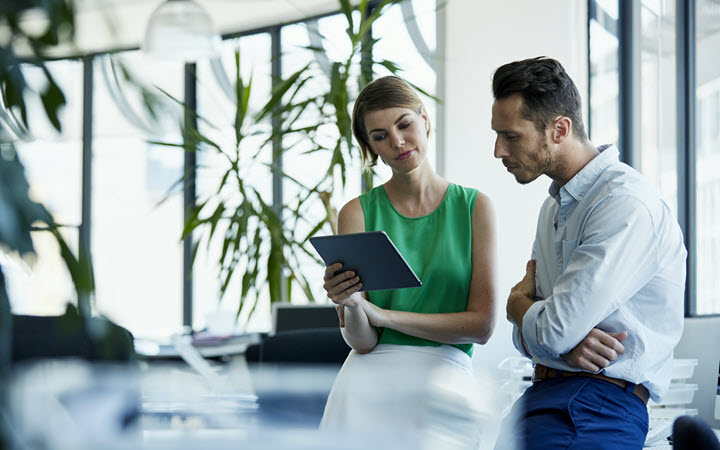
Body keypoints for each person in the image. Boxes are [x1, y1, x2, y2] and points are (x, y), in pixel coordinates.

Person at [491, 57, 687, 450]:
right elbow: (537, 335)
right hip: (544, 398)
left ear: (559, 129)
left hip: (595, 406)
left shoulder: (625, 203)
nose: (498, 151)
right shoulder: (553, 207)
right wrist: (553, 336)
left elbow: (550, 327)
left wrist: (517, 306)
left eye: (511, 136)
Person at [319, 75, 498, 446]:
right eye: (380, 135)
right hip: (367, 380)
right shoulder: (357, 213)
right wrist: (351, 305)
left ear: (425, 119)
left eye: (404, 124)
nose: (398, 141)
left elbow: (481, 326)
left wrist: (384, 316)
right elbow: (363, 343)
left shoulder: (474, 207)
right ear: (370, 148)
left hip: (444, 375)